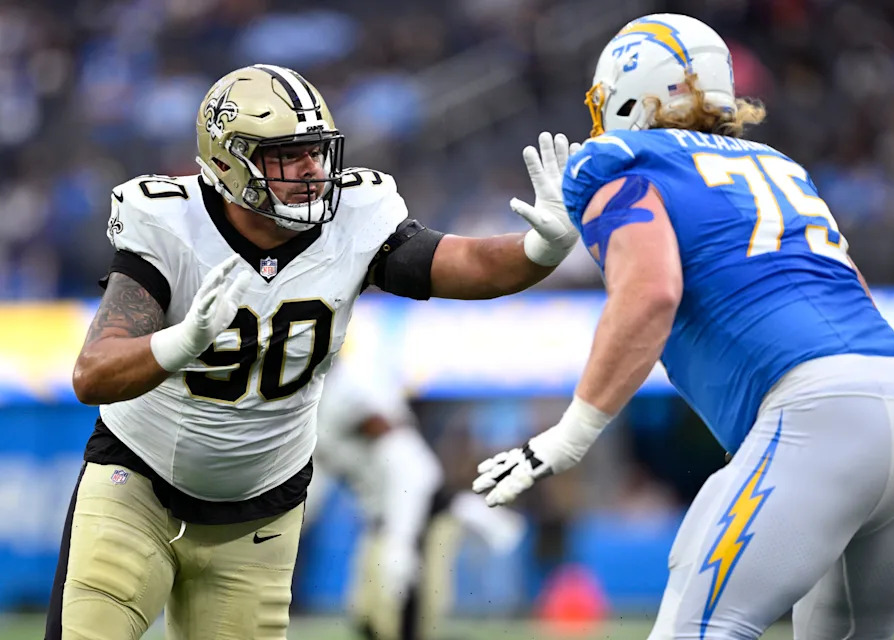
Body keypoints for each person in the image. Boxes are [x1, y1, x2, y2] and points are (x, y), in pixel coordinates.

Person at [46, 63, 575, 640]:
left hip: (261, 511)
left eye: (317, 151)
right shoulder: (170, 220)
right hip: (138, 484)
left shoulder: (357, 217)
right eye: (288, 155)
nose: (313, 170)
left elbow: (462, 263)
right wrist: (181, 341)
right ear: (229, 160)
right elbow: (92, 374)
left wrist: (538, 250)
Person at [473, 14, 894, 640]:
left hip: (817, 416)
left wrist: (567, 436)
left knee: (698, 631)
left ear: (633, 96)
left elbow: (650, 293)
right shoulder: (778, 167)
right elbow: (849, 289)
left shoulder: (621, 161)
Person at [305, 358, 525, 640]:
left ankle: (460, 510)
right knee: (369, 616)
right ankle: (464, 509)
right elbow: (318, 472)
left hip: (415, 514)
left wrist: (402, 540)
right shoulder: (314, 406)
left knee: (406, 617)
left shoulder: (349, 392)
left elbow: (405, 462)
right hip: (384, 516)